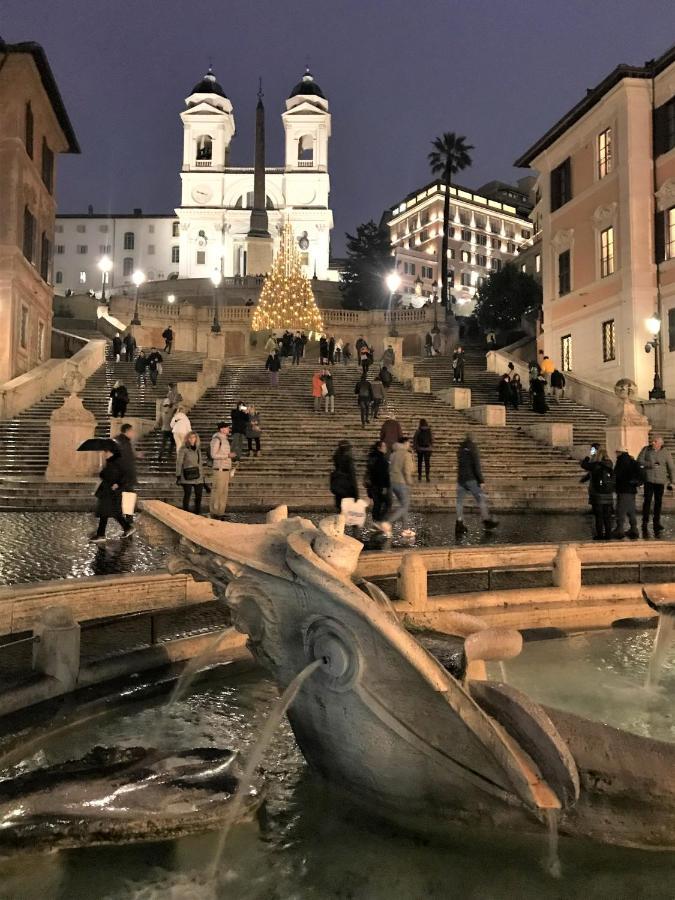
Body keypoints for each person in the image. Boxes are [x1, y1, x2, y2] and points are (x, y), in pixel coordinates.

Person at [455, 434, 498, 535]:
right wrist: (481, 481)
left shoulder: (460, 450)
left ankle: (459, 523)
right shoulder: (473, 449)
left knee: (459, 502)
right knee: (480, 500)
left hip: (461, 480)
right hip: (472, 479)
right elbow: (477, 466)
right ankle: (486, 520)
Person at [90, 445, 135, 542]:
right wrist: (101, 464)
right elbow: (103, 475)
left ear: (111, 452)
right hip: (107, 490)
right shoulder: (111, 462)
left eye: (106, 452)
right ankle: (125, 528)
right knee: (107, 512)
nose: (104, 454)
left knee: (107, 511)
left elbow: (125, 475)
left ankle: (102, 534)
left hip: (111, 491)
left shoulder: (117, 462)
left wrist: (118, 484)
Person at [637, 435, 674, 535]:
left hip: (660, 481)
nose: (652, 442)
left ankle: (656, 522)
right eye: (653, 441)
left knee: (658, 502)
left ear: (660, 443)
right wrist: (650, 464)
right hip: (649, 480)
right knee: (647, 501)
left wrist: (672, 481)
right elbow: (639, 461)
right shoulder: (646, 449)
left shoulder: (666, 452)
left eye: (655, 441)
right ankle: (644, 523)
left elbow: (671, 468)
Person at [581, 446, 615, 540]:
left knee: (599, 516)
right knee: (607, 516)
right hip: (608, 494)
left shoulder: (595, 465)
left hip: (597, 494)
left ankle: (600, 535)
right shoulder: (610, 464)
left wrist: (587, 458)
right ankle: (608, 535)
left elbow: (584, 465)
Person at [388, 436, 415, 537]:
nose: (409, 445)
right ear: (404, 444)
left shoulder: (393, 454)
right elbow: (408, 470)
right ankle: (388, 522)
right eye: (408, 443)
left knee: (404, 505)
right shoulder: (406, 454)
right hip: (401, 482)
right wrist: (409, 482)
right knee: (404, 505)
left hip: (392, 482)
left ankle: (406, 529)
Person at [613, 449, 642, 539]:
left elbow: (617, 474)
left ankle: (620, 529)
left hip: (623, 489)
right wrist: (636, 483)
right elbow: (641, 474)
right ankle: (634, 528)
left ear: (619, 452)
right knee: (631, 510)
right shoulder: (633, 461)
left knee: (621, 509)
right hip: (632, 489)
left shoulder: (620, 461)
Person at [209, 422, 235, 519]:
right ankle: (214, 512)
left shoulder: (225, 440)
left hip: (226, 469)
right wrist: (227, 456)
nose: (229, 429)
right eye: (227, 428)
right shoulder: (217, 439)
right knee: (217, 491)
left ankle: (220, 512)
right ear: (222, 429)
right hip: (219, 469)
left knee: (224, 491)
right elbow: (213, 455)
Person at [366, 440, 391, 534]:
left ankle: (375, 522)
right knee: (388, 503)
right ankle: (380, 521)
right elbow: (383, 475)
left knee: (377, 504)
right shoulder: (381, 459)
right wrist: (385, 487)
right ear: (379, 448)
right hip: (380, 486)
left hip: (373, 485)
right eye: (384, 446)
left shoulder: (372, 458)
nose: (386, 448)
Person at [176, 431, 205, 514]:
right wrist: (178, 475)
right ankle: (185, 513)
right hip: (187, 475)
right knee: (187, 495)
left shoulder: (198, 449)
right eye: (190, 437)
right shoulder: (183, 449)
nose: (192, 439)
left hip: (198, 476)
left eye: (194, 437)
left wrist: (203, 477)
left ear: (196, 439)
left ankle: (197, 512)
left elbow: (200, 464)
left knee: (199, 496)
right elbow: (179, 462)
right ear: (187, 439)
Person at [329, 440, 358, 513]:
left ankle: (341, 522)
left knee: (340, 509)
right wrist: (356, 493)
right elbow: (352, 477)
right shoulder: (348, 459)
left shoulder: (336, 458)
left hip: (338, 487)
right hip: (347, 488)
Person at [413, 418, 433, 482]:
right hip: (428, 449)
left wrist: (415, 447)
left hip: (420, 449)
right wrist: (431, 446)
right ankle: (427, 476)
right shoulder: (429, 430)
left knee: (420, 462)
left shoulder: (418, 430)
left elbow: (415, 439)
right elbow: (432, 439)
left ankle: (419, 476)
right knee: (427, 463)